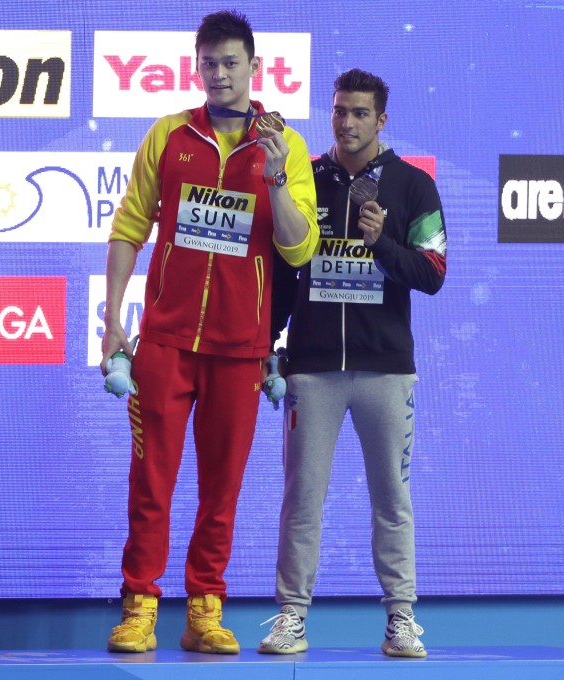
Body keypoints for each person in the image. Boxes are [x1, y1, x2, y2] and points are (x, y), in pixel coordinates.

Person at [100, 9, 319, 655]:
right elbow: (129, 228)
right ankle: (139, 605)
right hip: (164, 343)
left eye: (232, 63)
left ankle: (205, 610)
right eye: (210, 63)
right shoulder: (168, 135)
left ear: (255, 68)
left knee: (221, 489)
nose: (220, 74)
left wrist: (276, 175)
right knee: (151, 483)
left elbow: (299, 248)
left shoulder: (288, 145)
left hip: (240, 349)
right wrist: (113, 319)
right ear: (197, 67)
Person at [258, 69, 447, 658]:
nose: (347, 121)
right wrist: (270, 341)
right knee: (302, 495)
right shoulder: (307, 180)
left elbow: (434, 274)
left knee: (392, 496)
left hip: (386, 370)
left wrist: (382, 244)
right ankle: (290, 616)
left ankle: (400, 619)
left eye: (360, 113)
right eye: (340, 111)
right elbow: (284, 272)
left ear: (382, 119)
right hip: (312, 368)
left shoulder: (414, 186)